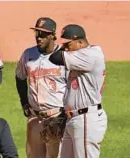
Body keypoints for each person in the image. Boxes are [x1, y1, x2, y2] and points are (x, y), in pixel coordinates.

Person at [49, 24, 108, 158]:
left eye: (68, 45)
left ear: (80, 42)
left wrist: (60, 48)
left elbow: (55, 57)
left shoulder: (89, 55)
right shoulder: (81, 55)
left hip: (86, 119)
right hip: (74, 118)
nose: (66, 48)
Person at [15, 17, 67, 158]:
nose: (39, 38)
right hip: (34, 118)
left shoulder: (64, 57)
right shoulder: (28, 54)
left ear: (52, 35)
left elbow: (72, 87)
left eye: (43, 34)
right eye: (37, 33)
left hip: (56, 117)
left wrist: (65, 115)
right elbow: (20, 77)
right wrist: (24, 102)